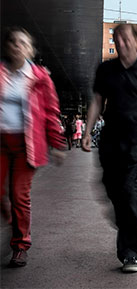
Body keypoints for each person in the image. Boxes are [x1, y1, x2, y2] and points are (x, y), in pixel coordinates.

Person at [83, 23, 137, 273]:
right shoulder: (106, 69)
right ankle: (125, 222)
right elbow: (97, 102)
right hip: (111, 139)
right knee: (113, 189)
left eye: (125, 39)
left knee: (134, 191)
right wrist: (87, 132)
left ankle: (131, 252)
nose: (121, 43)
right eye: (116, 39)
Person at [0, 27, 66, 268]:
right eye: (13, 42)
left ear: (29, 49)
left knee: (19, 196)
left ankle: (20, 245)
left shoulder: (39, 77)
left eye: (22, 43)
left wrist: (57, 143)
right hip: (0, 144)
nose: (17, 46)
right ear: (7, 47)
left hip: (25, 146)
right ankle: (12, 223)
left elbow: (51, 112)